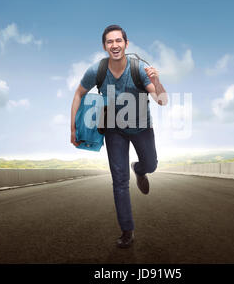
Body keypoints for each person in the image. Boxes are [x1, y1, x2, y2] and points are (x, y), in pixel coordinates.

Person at [70, 25, 168, 248]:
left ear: (126, 43)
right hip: (113, 130)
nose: (114, 45)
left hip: (142, 127)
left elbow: (162, 101)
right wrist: (73, 128)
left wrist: (158, 81)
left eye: (118, 41)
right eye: (109, 42)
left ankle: (140, 169)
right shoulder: (97, 70)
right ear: (104, 46)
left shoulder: (140, 69)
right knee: (119, 181)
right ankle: (127, 231)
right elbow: (78, 94)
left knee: (151, 165)